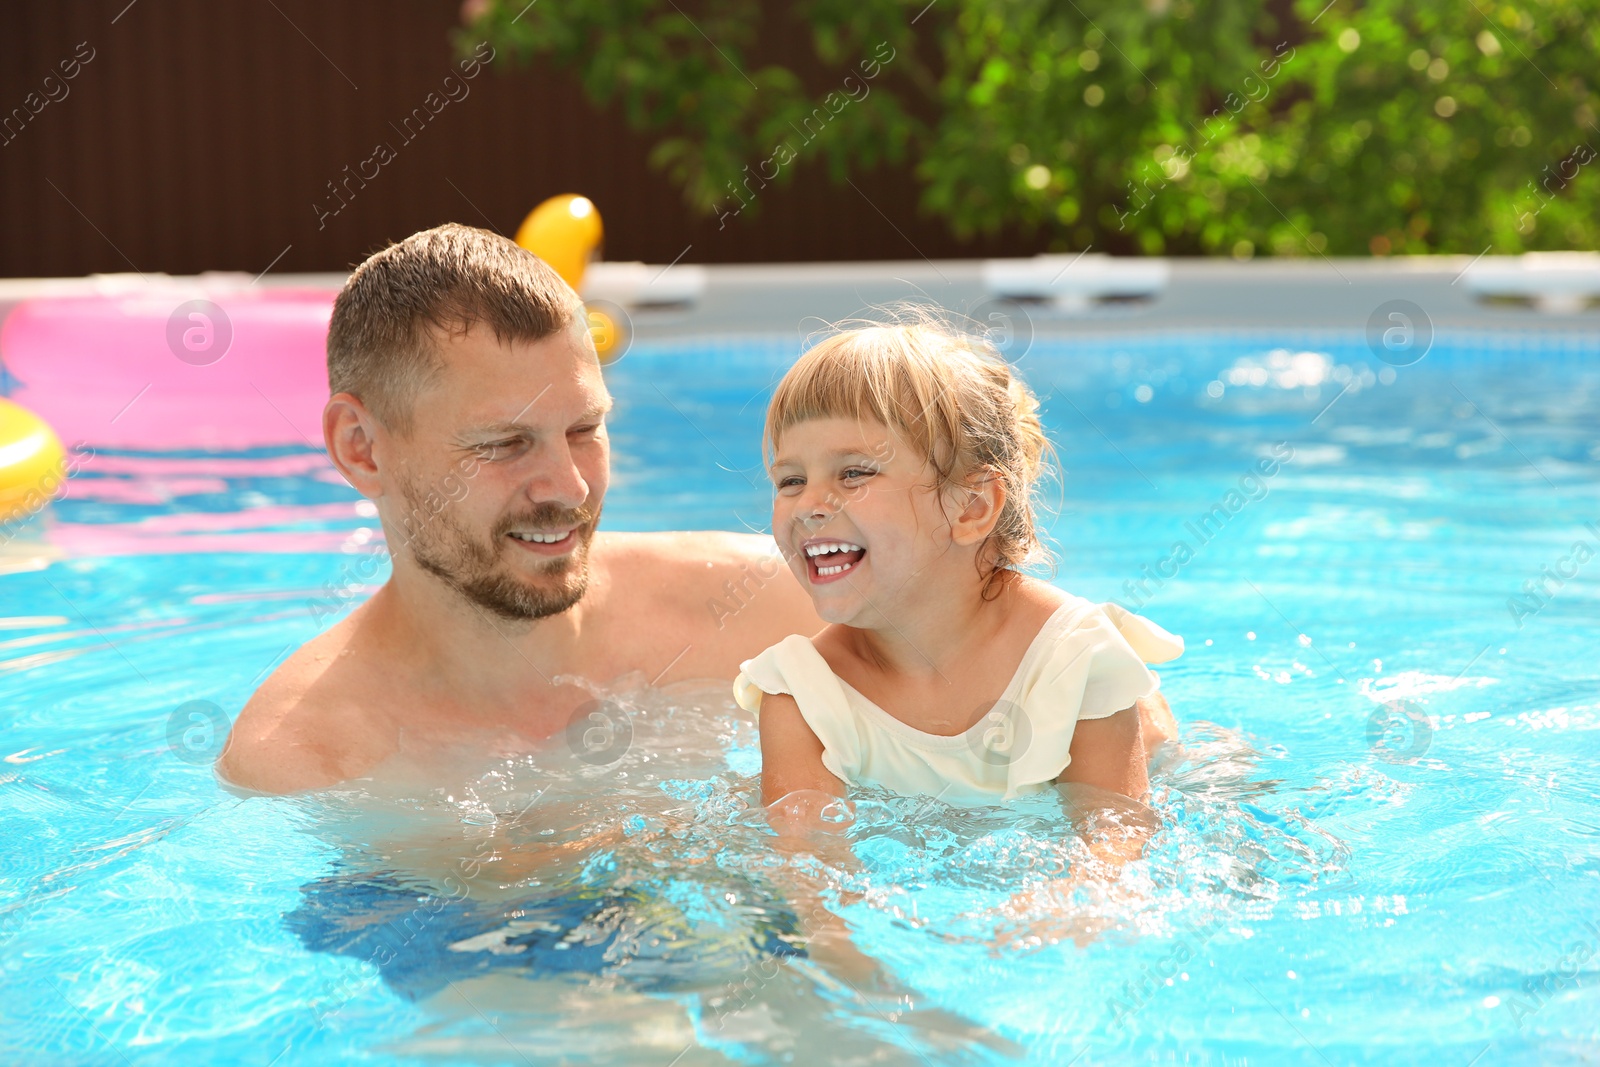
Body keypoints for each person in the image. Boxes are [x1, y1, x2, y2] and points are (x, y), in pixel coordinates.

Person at [216, 224, 820, 795]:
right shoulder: (307, 760)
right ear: (361, 448)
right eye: (504, 444)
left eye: (585, 429)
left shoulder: (770, 611)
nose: (569, 488)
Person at [734, 317, 1184, 827]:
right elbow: (807, 866)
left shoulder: (1074, 662)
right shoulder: (803, 694)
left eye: (854, 472)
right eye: (790, 479)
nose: (810, 504)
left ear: (970, 507)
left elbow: (1115, 847)